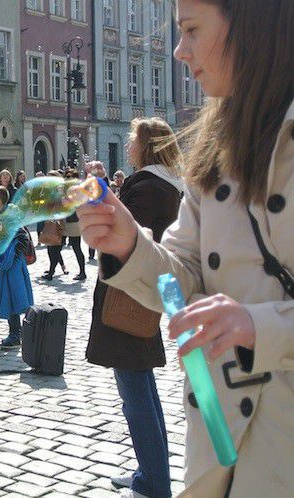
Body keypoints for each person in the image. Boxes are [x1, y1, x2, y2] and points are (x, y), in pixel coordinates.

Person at [78, 1, 294, 496]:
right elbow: (183, 281)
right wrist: (130, 244)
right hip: (220, 444)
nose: (180, 51)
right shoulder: (217, 146)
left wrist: (261, 326)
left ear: (252, 26)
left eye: (192, 30)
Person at [85, 117, 183, 498]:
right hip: (143, 289)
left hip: (130, 294)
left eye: (132, 141)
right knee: (142, 389)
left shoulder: (148, 187)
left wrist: (99, 203)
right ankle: (149, 473)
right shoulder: (162, 184)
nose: (128, 147)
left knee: (136, 395)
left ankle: (155, 483)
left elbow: (127, 239)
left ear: (147, 146)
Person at [0, 186, 34, 349]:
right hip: (6, 264)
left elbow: (21, 236)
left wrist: (11, 256)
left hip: (12, 265)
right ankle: (17, 333)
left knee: (14, 297)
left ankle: (17, 334)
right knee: (9, 296)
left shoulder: (7, 216)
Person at [63, 168, 87, 280]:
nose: (67, 179)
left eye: (69, 177)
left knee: (76, 247)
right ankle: (53, 270)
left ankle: (82, 272)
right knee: (57, 246)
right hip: (67, 222)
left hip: (74, 222)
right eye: (66, 177)